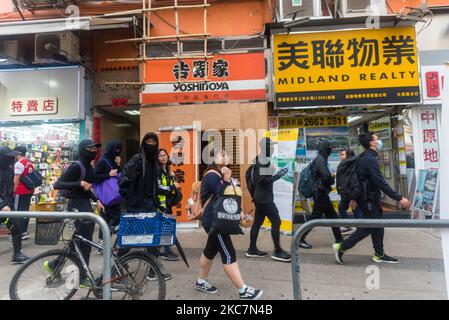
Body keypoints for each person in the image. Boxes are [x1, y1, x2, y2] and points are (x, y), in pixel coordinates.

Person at [333, 132, 411, 264]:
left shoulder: (365, 157)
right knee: (368, 227)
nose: (379, 141)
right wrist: (400, 198)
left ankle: (379, 254)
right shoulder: (369, 159)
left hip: (369, 198)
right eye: (377, 139)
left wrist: (355, 199)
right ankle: (341, 247)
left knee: (378, 225)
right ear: (372, 143)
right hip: (368, 200)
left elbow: (361, 180)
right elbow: (381, 182)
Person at [196, 150, 263, 300]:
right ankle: (243, 290)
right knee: (228, 252)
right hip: (215, 222)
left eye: (227, 155)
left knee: (210, 251)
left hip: (217, 219)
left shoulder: (220, 174)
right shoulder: (213, 175)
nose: (225, 156)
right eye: (221, 154)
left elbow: (227, 201)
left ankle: (200, 281)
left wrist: (238, 213)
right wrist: (227, 178)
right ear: (214, 158)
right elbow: (221, 194)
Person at [119, 132, 172, 280]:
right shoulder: (136, 160)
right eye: (148, 142)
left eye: (153, 142)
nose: (151, 145)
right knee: (129, 239)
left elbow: (157, 184)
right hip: (135, 207)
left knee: (153, 240)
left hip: (150, 206)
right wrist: (130, 179)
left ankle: (153, 270)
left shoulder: (155, 163)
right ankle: (118, 265)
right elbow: (122, 182)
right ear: (143, 143)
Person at [52, 139, 104, 287]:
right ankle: (83, 278)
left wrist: (97, 199)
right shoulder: (76, 166)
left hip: (84, 204)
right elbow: (58, 184)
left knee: (81, 241)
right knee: (84, 243)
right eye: (91, 149)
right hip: (76, 205)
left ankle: (55, 264)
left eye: (95, 148)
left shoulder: (89, 166)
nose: (94, 151)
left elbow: (87, 189)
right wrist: (79, 183)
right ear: (82, 150)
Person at [246, 137, 291, 262]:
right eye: (270, 147)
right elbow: (262, 180)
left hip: (260, 197)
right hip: (264, 199)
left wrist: (273, 171)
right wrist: (278, 176)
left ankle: (252, 249)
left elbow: (262, 176)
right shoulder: (262, 160)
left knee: (257, 223)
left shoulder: (261, 159)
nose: (272, 149)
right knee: (276, 222)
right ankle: (277, 251)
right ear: (265, 147)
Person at [299, 140, 343, 249]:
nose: (331, 149)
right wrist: (332, 178)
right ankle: (300, 239)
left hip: (322, 193)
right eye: (329, 148)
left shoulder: (320, 159)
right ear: (325, 149)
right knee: (314, 218)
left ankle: (339, 239)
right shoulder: (320, 160)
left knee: (332, 216)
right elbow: (326, 176)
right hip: (320, 193)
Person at [0, 146, 29, 264]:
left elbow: (11, 185)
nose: (12, 158)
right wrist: (2, 205)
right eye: (9, 156)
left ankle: (17, 254)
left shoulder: (9, 168)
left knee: (16, 228)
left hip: (7, 207)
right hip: (3, 207)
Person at [94, 140, 123, 243]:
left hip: (113, 196)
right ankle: (103, 242)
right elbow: (95, 177)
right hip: (105, 196)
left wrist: (118, 165)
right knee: (109, 219)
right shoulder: (102, 161)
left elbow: (116, 175)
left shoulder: (113, 160)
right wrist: (108, 175)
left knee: (109, 219)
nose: (117, 152)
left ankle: (104, 242)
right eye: (116, 149)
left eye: (119, 150)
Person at [157, 148, 181, 261]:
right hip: (160, 205)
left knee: (166, 227)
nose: (163, 157)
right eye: (160, 155)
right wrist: (172, 187)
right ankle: (165, 250)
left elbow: (174, 184)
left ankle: (164, 249)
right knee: (165, 228)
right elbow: (159, 188)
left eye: (164, 155)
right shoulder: (157, 171)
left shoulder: (168, 170)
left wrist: (172, 178)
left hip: (168, 204)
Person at [337, 148, 363, 235]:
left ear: (348, 155)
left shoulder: (350, 165)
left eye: (343, 154)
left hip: (351, 193)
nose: (340, 156)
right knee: (343, 207)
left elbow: (354, 181)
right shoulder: (345, 164)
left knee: (355, 209)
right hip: (346, 193)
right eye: (340, 154)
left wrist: (354, 198)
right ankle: (350, 226)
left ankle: (361, 228)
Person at [13, 145, 35, 240]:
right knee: (25, 211)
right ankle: (24, 231)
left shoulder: (19, 163)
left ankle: (19, 233)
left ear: (17, 152)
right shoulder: (29, 162)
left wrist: (14, 191)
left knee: (17, 212)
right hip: (29, 190)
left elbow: (16, 179)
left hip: (21, 191)